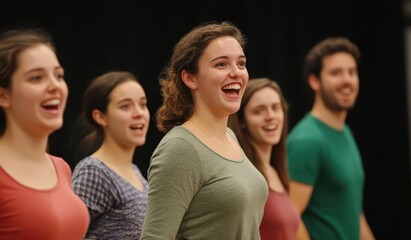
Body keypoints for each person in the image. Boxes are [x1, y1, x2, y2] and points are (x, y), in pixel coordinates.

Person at [140, 21, 268, 240]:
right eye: (221, 65)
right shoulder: (181, 148)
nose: (236, 73)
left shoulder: (230, 137)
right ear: (190, 78)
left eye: (241, 63)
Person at [0, 28, 89, 239]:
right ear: (3, 96)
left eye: (59, 76)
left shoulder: (61, 168)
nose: (55, 86)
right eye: (36, 78)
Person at [286, 37, 376, 240]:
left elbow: (352, 211)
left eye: (351, 72)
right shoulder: (306, 141)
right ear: (314, 81)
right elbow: (291, 218)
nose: (347, 80)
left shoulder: (345, 131)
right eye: (336, 73)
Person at [71, 71, 150, 240]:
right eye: (125, 106)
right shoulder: (93, 171)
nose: (139, 113)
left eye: (143, 105)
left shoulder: (135, 172)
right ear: (100, 117)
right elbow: (69, 233)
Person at [228, 77, 304, 240]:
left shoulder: (276, 171)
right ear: (242, 121)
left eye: (276, 108)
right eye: (259, 111)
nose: (270, 116)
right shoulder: (242, 175)